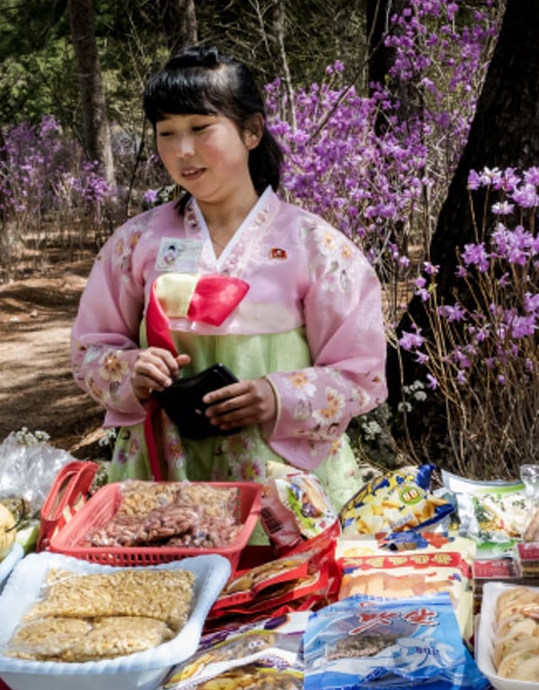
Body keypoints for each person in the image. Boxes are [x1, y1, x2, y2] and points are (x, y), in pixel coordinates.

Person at [69, 45, 387, 512]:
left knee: (286, 582)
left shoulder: (316, 246)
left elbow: (362, 373)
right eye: (167, 133)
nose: (183, 150)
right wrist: (132, 373)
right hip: (163, 473)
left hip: (280, 479)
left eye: (200, 128)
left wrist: (277, 396)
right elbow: (89, 349)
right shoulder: (135, 243)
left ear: (252, 130)